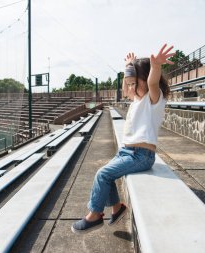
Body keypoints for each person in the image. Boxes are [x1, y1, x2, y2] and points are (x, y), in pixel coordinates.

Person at [71, 44, 174, 234]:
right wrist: (128, 67)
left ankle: (94, 215)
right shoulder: (136, 98)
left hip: (141, 155)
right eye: (131, 82)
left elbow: (152, 82)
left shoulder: (153, 99)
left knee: (103, 174)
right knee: (105, 175)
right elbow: (125, 87)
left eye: (136, 81)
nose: (132, 86)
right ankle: (118, 208)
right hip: (127, 152)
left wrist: (156, 66)